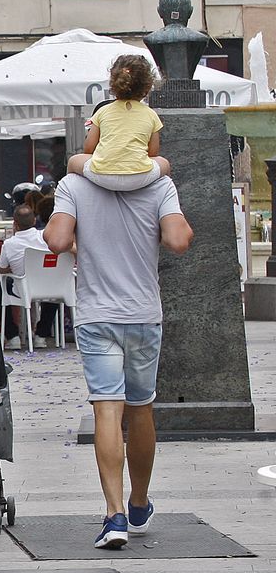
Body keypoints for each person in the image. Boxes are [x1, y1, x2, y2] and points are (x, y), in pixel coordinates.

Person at [43, 153, 194, 549]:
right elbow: (178, 240)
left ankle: (115, 516)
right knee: (141, 408)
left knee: (106, 409)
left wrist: (75, 234)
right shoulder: (160, 184)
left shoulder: (73, 185)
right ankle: (140, 504)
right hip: (143, 315)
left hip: (96, 315)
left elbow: (56, 240)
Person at [68, 55, 173, 192]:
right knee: (164, 163)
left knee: (73, 161)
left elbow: (88, 149)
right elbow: (153, 152)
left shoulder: (102, 111)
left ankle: (69, 197)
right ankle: (163, 195)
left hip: (102, 175)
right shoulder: (151, 114)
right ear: (147, 87)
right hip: (140, 176)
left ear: (113, 84)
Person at [0, 204, 47, 347]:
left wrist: (15, 268)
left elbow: (2, 269)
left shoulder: (9, 244)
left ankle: (12, 336)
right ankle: (41, 334)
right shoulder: (45, 237)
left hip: (21, 289)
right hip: (48, 287)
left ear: (15, 224)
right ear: (34, 221)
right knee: (56, 280)